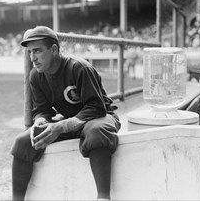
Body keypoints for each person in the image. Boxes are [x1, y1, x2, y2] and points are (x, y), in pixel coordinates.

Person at [10, 26, 121, 200]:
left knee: (96, 132)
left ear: (54, 49)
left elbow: (96, 107)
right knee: (24, 140)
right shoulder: (36, 76)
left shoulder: (79, 67)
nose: (33, 58)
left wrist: (61, 126)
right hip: (70, 121)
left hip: (99, 116)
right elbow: (42, 110)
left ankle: (103, 197)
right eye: (30, 52)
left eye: (37, 51)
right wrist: (40, 121)